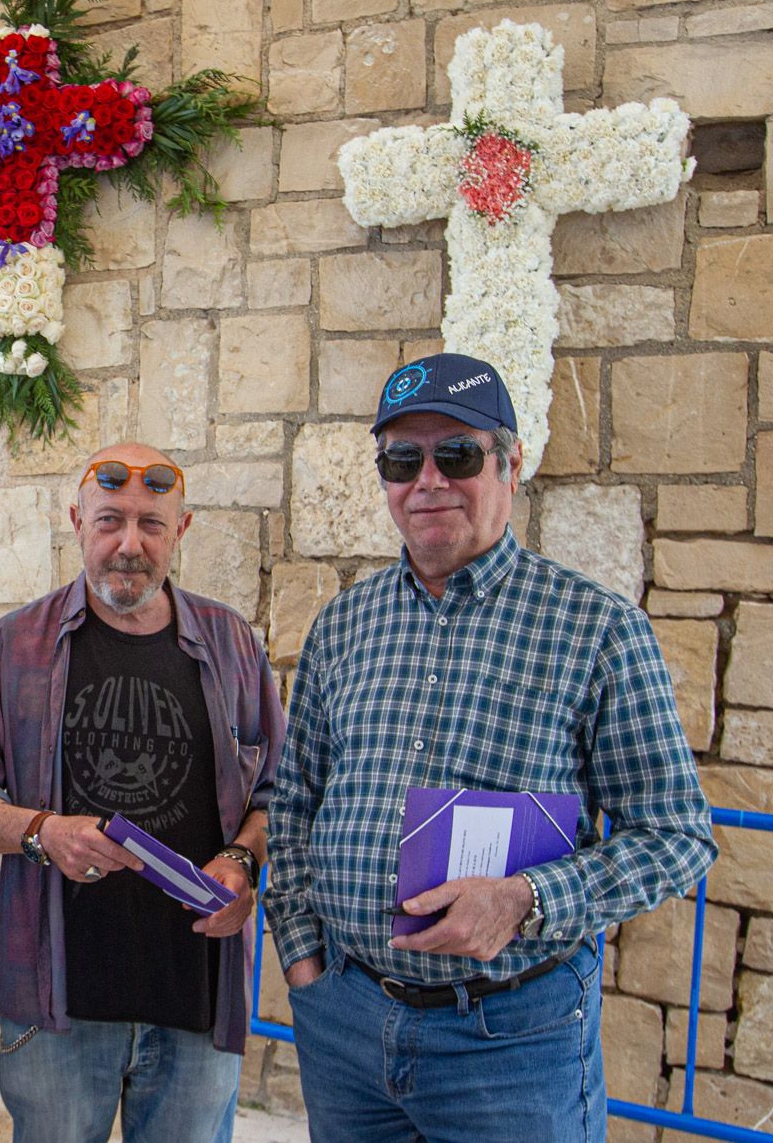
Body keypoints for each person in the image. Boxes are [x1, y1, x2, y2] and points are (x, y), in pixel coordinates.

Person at [263, 352, 717, 1141]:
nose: (428, 480)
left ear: (511, 466)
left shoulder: (597, 630)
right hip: (346, 1025)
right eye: (402, 460)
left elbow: (677, 838)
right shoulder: (343, 623)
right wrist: (305, 964)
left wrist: (525, 901)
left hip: (510, 1043)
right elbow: (295, 802)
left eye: (458, 454)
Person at [0, 442, 283, 1143]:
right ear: (76, 521)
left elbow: (278, 793)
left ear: (180, 530)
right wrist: (43, 832)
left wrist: (243, 865)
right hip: (59, 1001)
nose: (130, 545)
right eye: (109, 521)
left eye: (151, 524)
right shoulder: (16, 646)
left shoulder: (233, 645)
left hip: (196, 998)